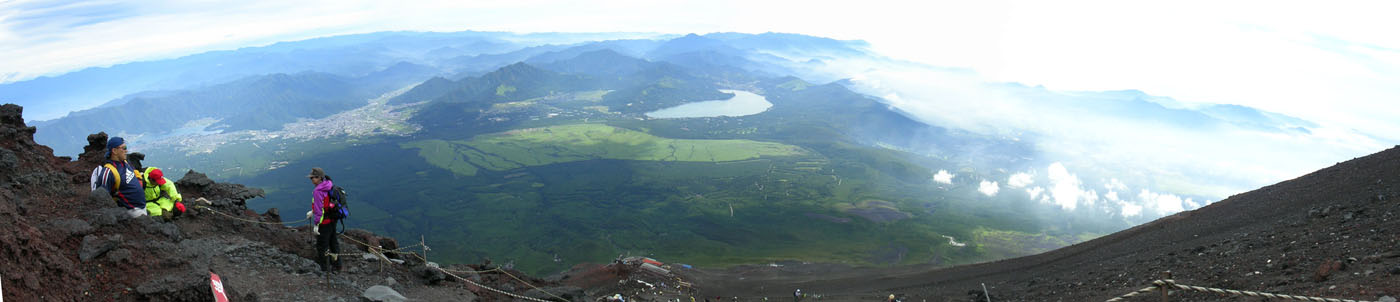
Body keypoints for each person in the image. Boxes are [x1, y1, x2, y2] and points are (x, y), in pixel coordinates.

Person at [91, 136, 147, 217]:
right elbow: (102, 197)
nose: (126, 150)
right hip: (132, 211)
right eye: (124, 148)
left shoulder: (125, 162)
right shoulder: (109, 172)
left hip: (142, 205)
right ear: (114, 151)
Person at [306, 167, 342, 272]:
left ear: (320, 178)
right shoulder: (328, 185)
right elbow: (325, 204)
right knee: (333, 242)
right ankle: (337, 265)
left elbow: (319, 210)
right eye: (311, 178)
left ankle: (325, 270)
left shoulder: (317, 190)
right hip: (333, 219)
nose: (311, 180)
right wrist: (312, 211)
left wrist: (316, 224)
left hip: (324, 222)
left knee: (322, 246)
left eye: (313, 178)